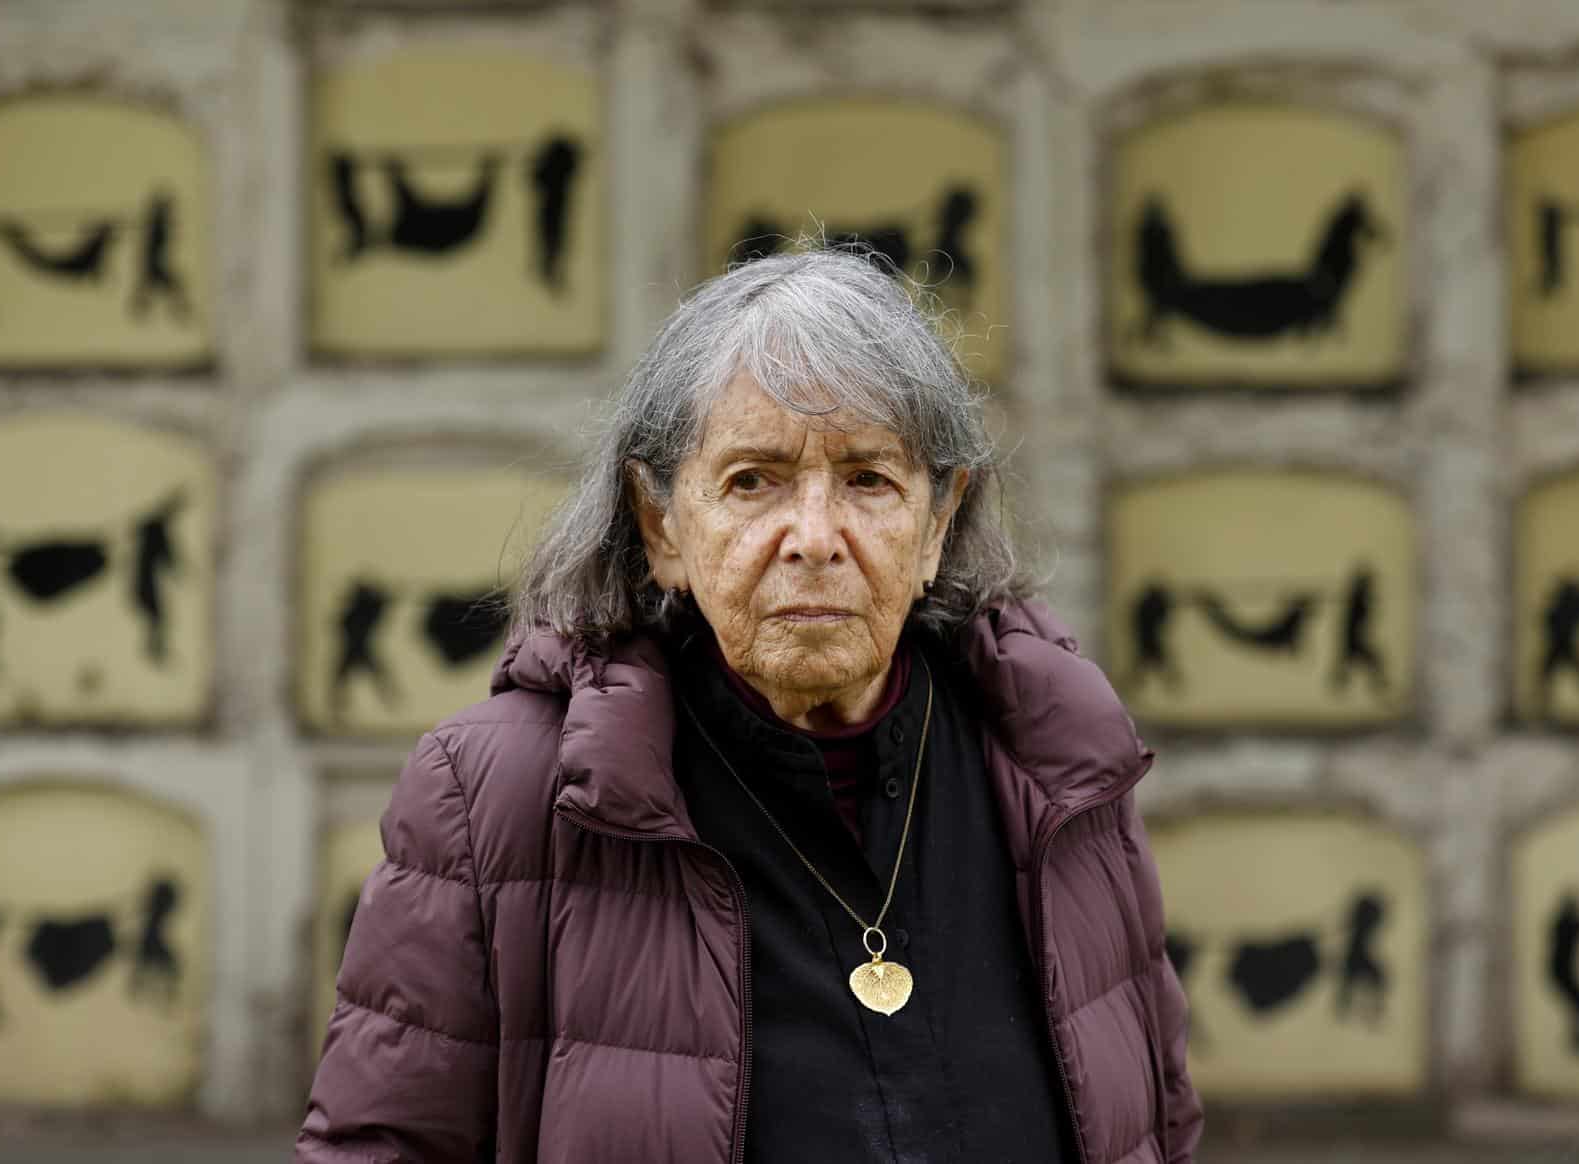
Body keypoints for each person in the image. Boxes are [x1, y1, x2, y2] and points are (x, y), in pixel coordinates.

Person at [295, 245, 1203, 1163]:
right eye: (752, 480)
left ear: (937, 523)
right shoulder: (493, 797)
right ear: (661, 527)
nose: (814, 538)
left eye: (868, 479)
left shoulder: (1057, 768)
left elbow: (1157, 1130)